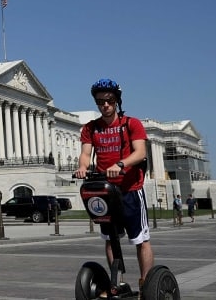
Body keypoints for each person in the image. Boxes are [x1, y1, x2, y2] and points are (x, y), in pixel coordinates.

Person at [75, 78, 153, 289]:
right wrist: (82, 167)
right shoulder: (90, 128)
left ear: (117, 100)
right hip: (106, 191)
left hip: (130, 189)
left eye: (109, 100)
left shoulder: (131, 124)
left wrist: (121, 164)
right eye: (100, 101)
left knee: (140, 239)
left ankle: (146, 282)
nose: (105, 105)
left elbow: (140, 152)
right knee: (111, 239)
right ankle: (115, 283)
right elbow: (85, 153)